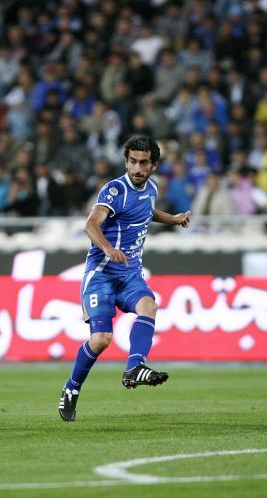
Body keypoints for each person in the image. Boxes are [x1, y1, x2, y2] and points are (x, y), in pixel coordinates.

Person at [58, 135, 191, 422]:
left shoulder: (151, 188)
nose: (137, 168)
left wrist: (173, 218)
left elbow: (146, 211)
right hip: (102, 275)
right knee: (101, 340)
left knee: (149, 305)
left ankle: (134, 368)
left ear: (153, 165)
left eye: (143, 163)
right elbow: (91, 224)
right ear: (126, 161)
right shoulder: (114, 190)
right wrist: (107, 248)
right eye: (132, 162)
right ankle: (71, 388)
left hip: (129, 273)